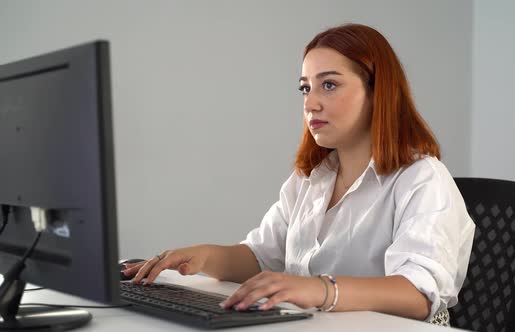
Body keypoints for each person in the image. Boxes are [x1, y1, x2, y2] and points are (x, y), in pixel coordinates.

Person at [122, 23, 475, 326]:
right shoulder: (312, 178)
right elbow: (262, 257)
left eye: (329, 85)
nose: (310, 103)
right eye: (305, 87)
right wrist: (200, 257)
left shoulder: (422, 178)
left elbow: (418, 293)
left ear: (377, 92)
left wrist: (320, 289)